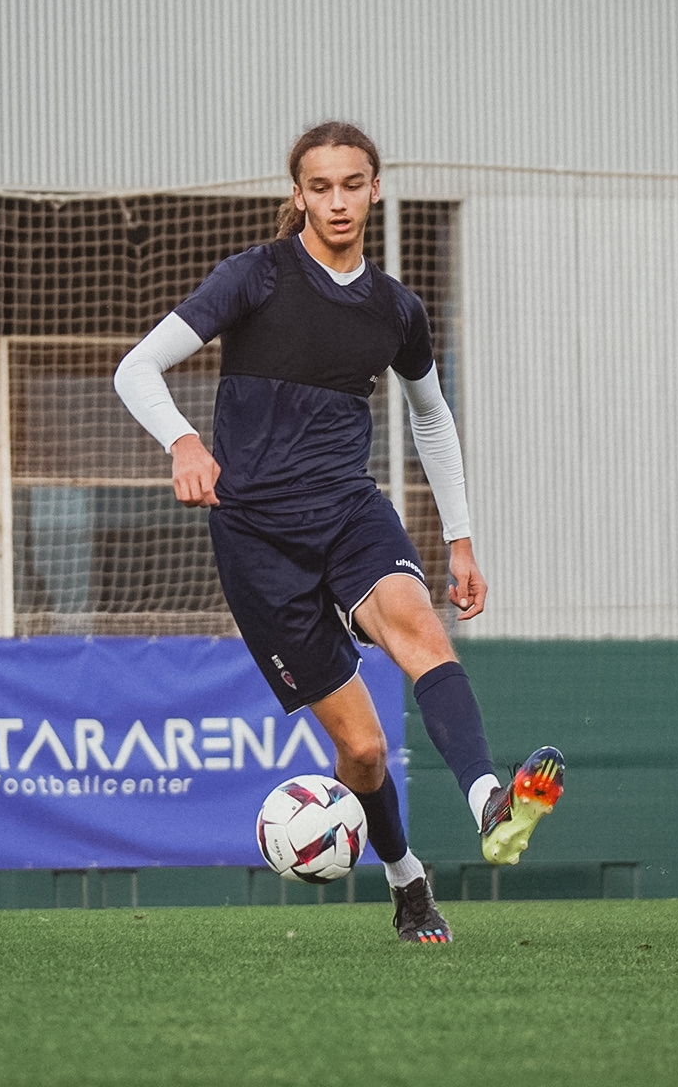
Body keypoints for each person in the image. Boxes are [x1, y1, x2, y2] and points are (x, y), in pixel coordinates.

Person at [114, 120, 563, 943]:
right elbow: (135, 367)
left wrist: (459, 538)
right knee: (360, 754)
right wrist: (183, 440)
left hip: (350, 512)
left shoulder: (396, 308)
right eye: (319, 187)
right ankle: (408, 884)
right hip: (256, 540)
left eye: (351, 184)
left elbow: (432, 417)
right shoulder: (254, 277)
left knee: (425, 633)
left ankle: (488, 802)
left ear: (374, 188)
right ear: (298, 195)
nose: (337, 201)